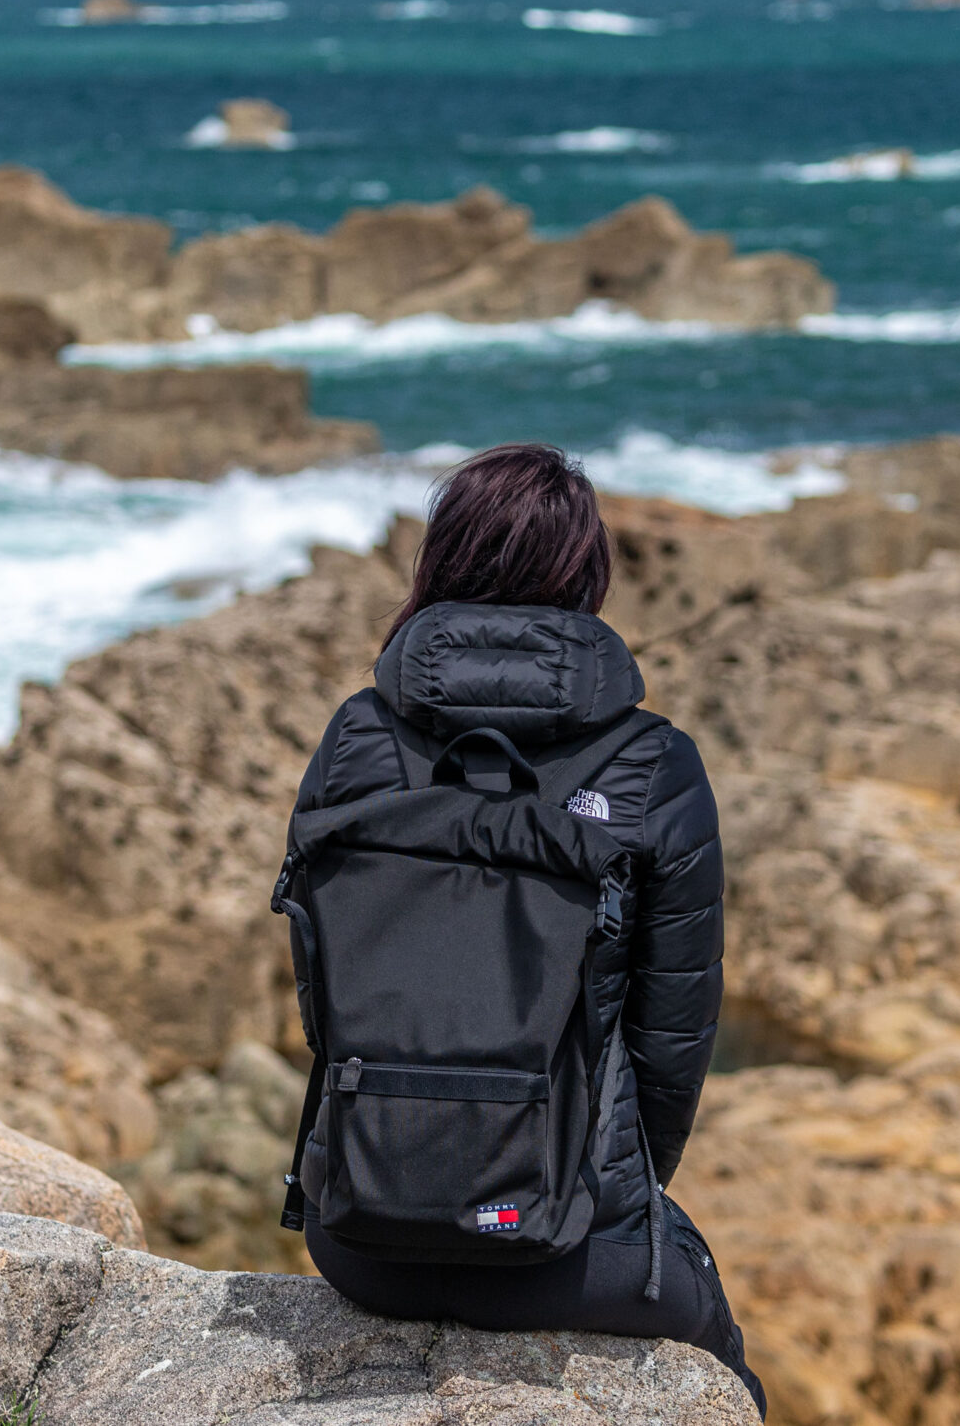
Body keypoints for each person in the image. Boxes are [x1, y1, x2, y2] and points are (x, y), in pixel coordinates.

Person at [286, 442, 764, 1413]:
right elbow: (672, 1044)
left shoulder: (356, 738)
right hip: (569, 1246)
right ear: (586, 571)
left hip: (361, 1240)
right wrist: (596, 1193)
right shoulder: (651, 764)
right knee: (726, 1370)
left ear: (441, 563)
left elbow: (321, 999)